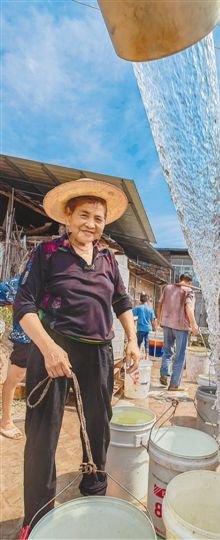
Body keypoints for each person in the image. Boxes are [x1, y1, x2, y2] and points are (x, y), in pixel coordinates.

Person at [14, 178, 140, 532]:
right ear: (67, 217)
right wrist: (48, 347)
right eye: (84, 215)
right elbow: (23, 304)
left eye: (98, 218)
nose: (91, 224)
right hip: (54, 349)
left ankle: (93, 495)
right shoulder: (48, 253)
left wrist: (131, 338)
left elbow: (121, 300)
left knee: (97, 431)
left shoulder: (108, 258)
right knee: (43, 434)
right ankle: (36, 520)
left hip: (98, 352)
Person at [0, 275, 31, 440]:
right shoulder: (19, 283)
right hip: (25, 337)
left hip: (49, 340)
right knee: (15, 376)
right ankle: (5, 421)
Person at [158, 273, 199, 390]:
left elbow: (160, 304)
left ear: (180, 279)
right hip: (181, 326)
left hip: (166, 324)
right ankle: (174, 384)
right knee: (180, 355)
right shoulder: (189, 291)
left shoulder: (167, 288)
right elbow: (188, 308)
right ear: (189, 282)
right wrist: (194, 325)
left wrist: (159, 318)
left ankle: (164, 374)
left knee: (167, 351)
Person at [133, 293, 157, 359]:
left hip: (140, 329)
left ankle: (136, 357)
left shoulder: (138, 308)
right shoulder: (150, 309)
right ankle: (146, 356)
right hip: (148, 329)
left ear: (140, 299)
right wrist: (155, 329)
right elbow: (153, 320)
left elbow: (132, 316)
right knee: (147, 343)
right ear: (147, 300)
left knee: (138, 343)